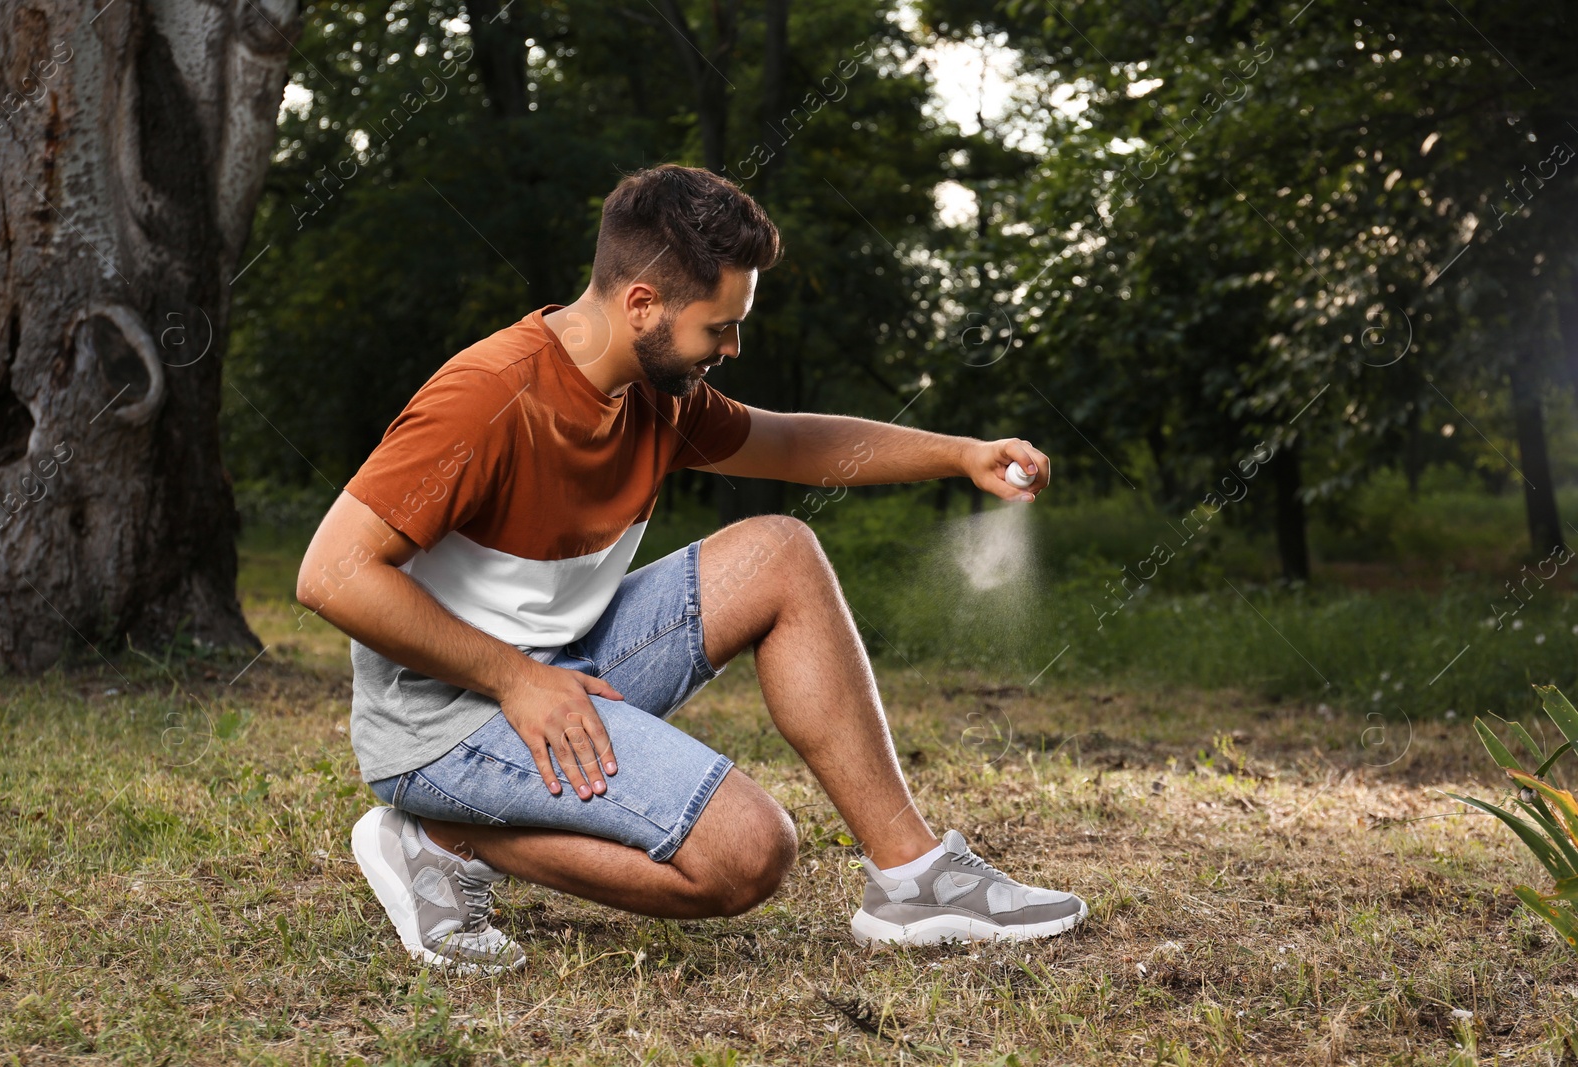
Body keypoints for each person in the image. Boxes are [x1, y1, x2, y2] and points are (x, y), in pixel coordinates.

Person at [296, 164, 1086, 973]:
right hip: (443, 720)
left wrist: (960, 454)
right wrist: (513, 679)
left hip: (560, 666)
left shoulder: (653, 390)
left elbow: (793, 443)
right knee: (749, 853)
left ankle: (913, 878)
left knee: (781, 549)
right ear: (642, 303)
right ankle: (435, 836)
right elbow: (331, 573)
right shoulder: (487, 398)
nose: (732, 347)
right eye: (720, 327)